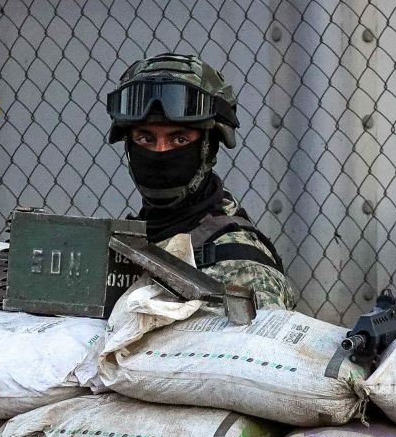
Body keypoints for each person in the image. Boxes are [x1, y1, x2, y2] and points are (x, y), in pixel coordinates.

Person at [105, 53, 297, 309]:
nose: (161, 152)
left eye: (179, 140)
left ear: (209, 148)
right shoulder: (124, 244)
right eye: (146, 139)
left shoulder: (241, 267)